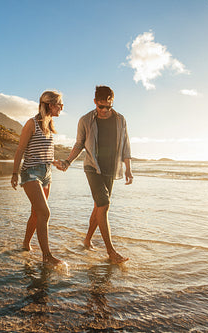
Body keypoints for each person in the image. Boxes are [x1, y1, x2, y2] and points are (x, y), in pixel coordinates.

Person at [56, 86, 133, 264]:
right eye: (101, 106)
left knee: (99, 207)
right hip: (92, 167)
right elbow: (79, 144)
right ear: (95, 102)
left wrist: (128, 168)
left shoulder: (121, 120)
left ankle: (87, 239)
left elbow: (126, 146)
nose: (105, 110)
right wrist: (67, 162)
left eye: (108, 106)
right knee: (104, 205)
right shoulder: (85, 120)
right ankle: (111, 252)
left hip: (111, 169)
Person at [11, 91, 64, 266]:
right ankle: (47, 256)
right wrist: (14, 173)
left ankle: (25, 245)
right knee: (45, 213)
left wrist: (55, 162)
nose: (61, 107)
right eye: (59, 104)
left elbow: (43, 152)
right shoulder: (31, 123)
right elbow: (20, 150)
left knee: (36, 213)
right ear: (50, 105)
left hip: (46, 174)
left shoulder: (50, 125)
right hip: (31, 173)